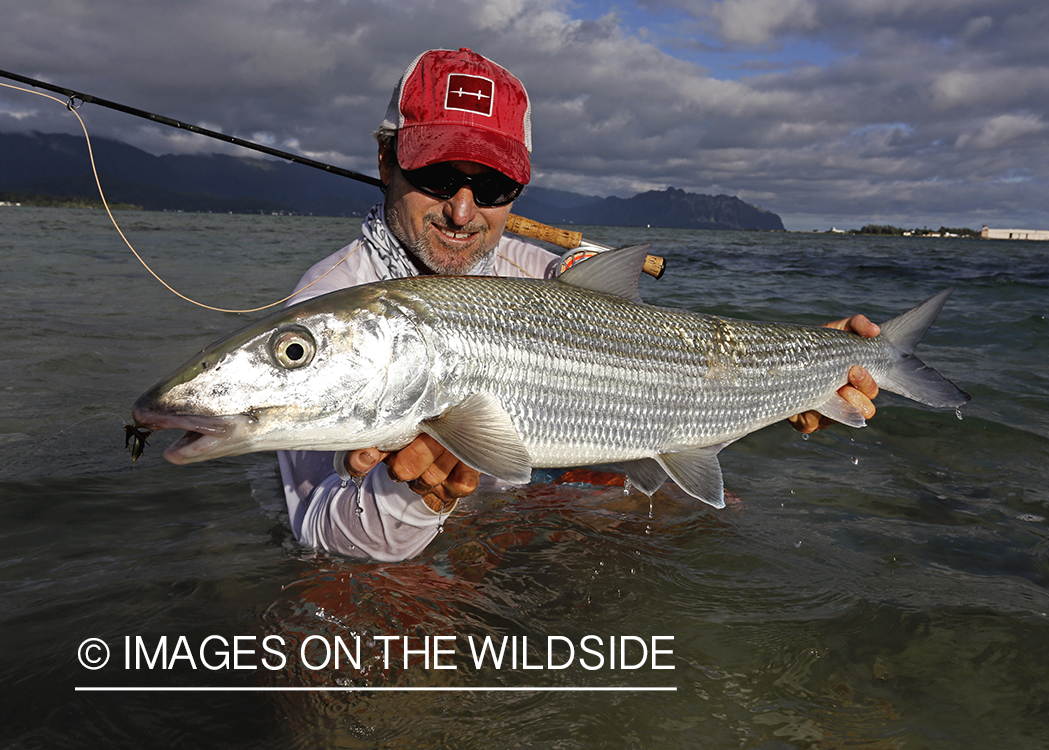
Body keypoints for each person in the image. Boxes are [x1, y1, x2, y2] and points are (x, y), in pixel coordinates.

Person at [277, 48, 880, 561]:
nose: (463, 212)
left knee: (688, 516)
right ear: (386, 161)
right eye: (437, 175)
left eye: (492, 187)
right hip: (423, 542)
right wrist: (408, 492)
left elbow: (672, 378)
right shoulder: (325, 315)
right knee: (366, 616)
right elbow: (319, 529)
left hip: (524, 503)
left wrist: (804, 370)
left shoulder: (545, 276)